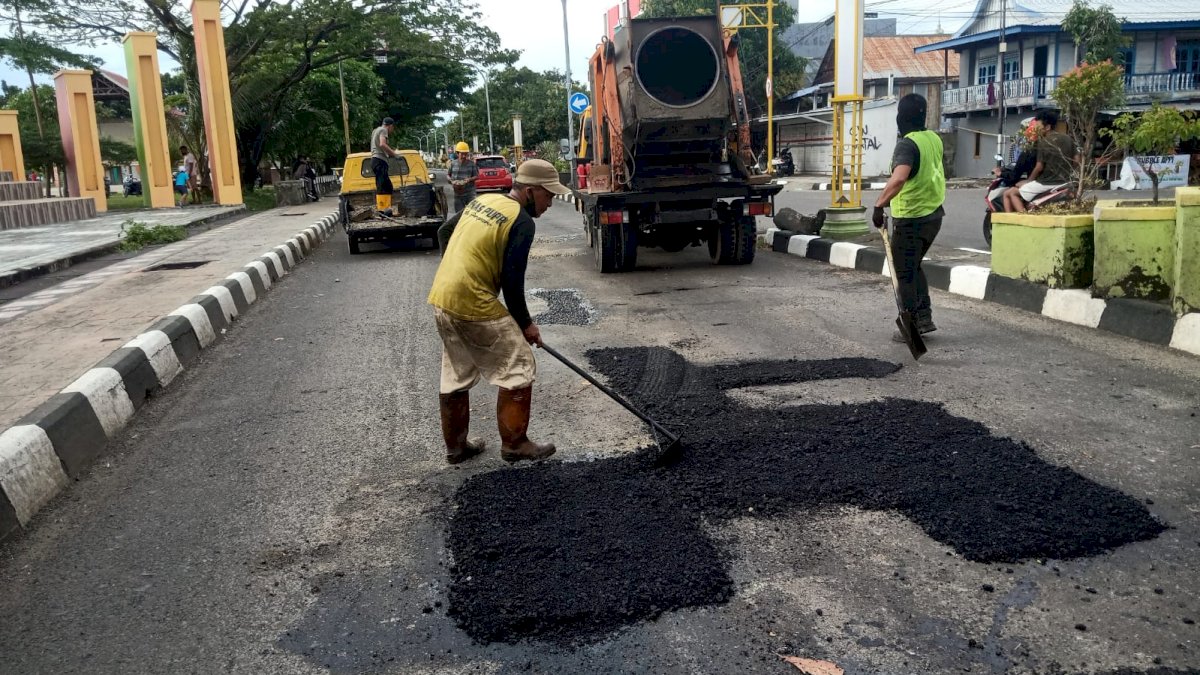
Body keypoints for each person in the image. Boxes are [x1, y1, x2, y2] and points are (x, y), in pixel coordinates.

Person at [427, 159, 570, 465]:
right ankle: (515, 444)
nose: (550, 204)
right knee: (518, 364)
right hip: (472, 302)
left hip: (443, 297)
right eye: (549, 196)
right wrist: (526, 325)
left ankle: (457, 448)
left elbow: (443, 232)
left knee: (457, 371)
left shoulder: (484, 201)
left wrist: (454, 269)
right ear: (530, 191)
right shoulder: (521, 221)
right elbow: (512, 281)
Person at [873, 93, 946, 340]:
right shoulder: (933, 138)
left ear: (901, 117)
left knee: (903, 272)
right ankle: (924, 317)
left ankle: (911, 325)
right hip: (934, 216)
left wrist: (879, 205)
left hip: (912, 218)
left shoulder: (907, 144)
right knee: (913, 266)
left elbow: (900, 177)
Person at [1004, 110, 1077, 212]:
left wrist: (1028, 181)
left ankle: (1023, 219)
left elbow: (1039, 167)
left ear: (1047, 127)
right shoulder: (1069, 139)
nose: (1035, 129)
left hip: (1046, 183)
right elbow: (1077, 161)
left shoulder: (1042, 142)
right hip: (1065, 182)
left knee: (1010, 193)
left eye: (1038, 126)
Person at [370, 117, 401, 216]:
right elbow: (382, 144)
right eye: (393, 127)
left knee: (385, 185)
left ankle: (386, 210)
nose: (392, 130)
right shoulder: (383, 130)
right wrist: (394, 154)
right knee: (383, 186)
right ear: (390, 125)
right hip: (379, 160)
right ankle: (383, 210)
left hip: (375, 160)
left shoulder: (375, 130)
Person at [448, 142, 478, 214]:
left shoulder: (471, 164)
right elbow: (448, 175)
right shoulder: (453, 163)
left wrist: (469, 179)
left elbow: (476, 176)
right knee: (459, 214)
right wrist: (451, 180)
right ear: (457, 153)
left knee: (473, 213)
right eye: (462, 154)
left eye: (466, 154)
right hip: (458, 194)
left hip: (470, 193)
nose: (464, 156)